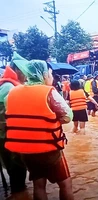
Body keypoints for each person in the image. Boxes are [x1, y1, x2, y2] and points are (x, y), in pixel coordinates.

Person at [5, 60, 74, 200]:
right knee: (66, 184)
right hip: (49, 150)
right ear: (43, 74)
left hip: (25, 151)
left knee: (39, 185)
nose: (52, 77)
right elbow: (67, 117)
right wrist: (50, 121)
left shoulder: (12, 92)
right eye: (50, 73)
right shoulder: (48, 92)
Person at [0, 52, 28, 194]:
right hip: (8, 135)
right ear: (17, 70)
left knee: (15, 169)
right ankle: (19, 193)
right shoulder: (10, 88)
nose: (27, 76)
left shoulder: (7, 85)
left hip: (7, 134)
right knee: (17, 168)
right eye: (24, 72)